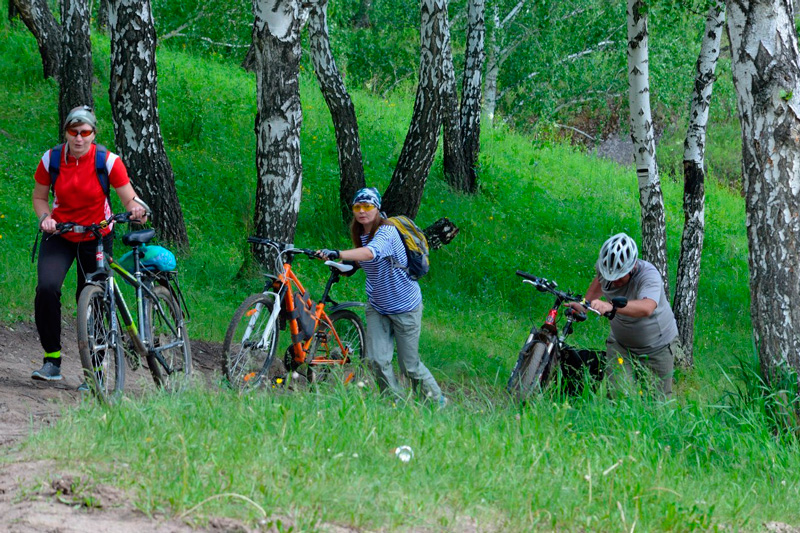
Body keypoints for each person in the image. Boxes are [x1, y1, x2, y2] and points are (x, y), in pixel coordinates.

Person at [31, 106, 147, 387]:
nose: (79, 138)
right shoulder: (52, 159)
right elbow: (39, 197)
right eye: (74, 132)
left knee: (93, 298)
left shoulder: (108, 161)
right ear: (66, 133)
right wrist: (45, 218)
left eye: (85, 132)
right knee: (46, 288)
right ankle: (52, 361)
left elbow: (129, 198)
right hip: (61, 233)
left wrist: (136, 209)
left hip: (97, 234)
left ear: (94, 134)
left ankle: (94, 372)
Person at [315, 187, 446, 406]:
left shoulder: (387, 232)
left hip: (405, 307)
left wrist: (338, 252)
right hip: (378, 306)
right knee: (376, 360)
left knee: (409, 366)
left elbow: (370, 253)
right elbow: (362, 260)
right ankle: (394, 403)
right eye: (358, 207)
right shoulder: (361, 233)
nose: (362, 211)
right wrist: (340, 263)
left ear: (377, 208)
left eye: (368, 206)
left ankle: (436, 403)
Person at [571, 233, 681, 397]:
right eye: (609, 275)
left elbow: (647, 307)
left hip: (658, 346)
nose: (613, 281)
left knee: (657, 404)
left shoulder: (649, 275)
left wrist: (611, 307)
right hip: (620, 345)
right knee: (618, 397)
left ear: (632, 267)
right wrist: (584, 305)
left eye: (618, 277)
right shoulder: (605, 269)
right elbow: (599, 282)